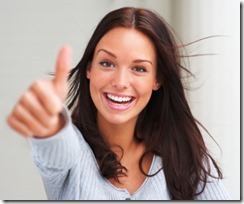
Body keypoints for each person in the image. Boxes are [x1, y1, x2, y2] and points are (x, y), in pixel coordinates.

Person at [7, 7, 231, 200]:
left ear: (157, 79)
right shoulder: (74, 154)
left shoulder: (183, 154)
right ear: (89, 68)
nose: (120, 82)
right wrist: (50, 123)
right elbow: (57, 147)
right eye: (107, 63)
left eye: (139, 69)